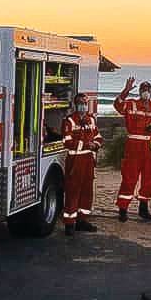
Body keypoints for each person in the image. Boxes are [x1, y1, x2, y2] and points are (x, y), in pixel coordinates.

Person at [114, 78, 151, 221]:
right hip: (134, 146)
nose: (146, 93)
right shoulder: (131, 104)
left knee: (149, 179)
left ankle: (143, 207)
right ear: (139, 91)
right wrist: (125, 91)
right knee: (129, 178)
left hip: (150, 146)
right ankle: (123, 209)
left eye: (148, 90)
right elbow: (117, 105)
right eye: (143, 90)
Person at [61, 93, 103, 237]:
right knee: (73, 192)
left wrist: (95, 145)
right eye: (80, 103)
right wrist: (87, 144)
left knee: (87, 191)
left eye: (85, 103)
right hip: (75, 161)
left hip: (89, 160)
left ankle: (82, 220)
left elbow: (98, 137)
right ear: (75, 104)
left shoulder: (91, 119)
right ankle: (69, 223)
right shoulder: (69, 121)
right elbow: (67, 142)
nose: (83, 106)